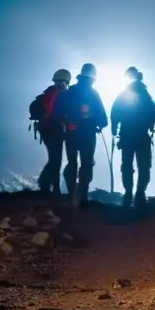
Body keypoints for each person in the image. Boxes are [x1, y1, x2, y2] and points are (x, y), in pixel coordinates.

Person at [56, 62, 108, 207]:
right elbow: (103, 119)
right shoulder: (93, 94)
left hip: (71, 134)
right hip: (88, 135)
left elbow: (57, 112)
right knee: (86, 164)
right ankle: (82, 196)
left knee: (72, 163)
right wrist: (97, 124)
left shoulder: (69, 92)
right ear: (93, 78)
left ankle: (72, 193)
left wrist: (66, 122)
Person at [110, 66, 155, 209]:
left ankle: (128, 194)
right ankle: (139, 195)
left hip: (127, 136)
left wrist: (114, 131)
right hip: (142, 136)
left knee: (127, 165)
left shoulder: (123, 95)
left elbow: (114, 114)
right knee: (144, 166)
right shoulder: (146, 95)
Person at [28, 68, 71, 195]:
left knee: (54, 158)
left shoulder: (49, 94)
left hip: (46, 130)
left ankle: (46, 185)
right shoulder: (60, 95)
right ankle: (52, 187)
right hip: (54, 130)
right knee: (56, 159)